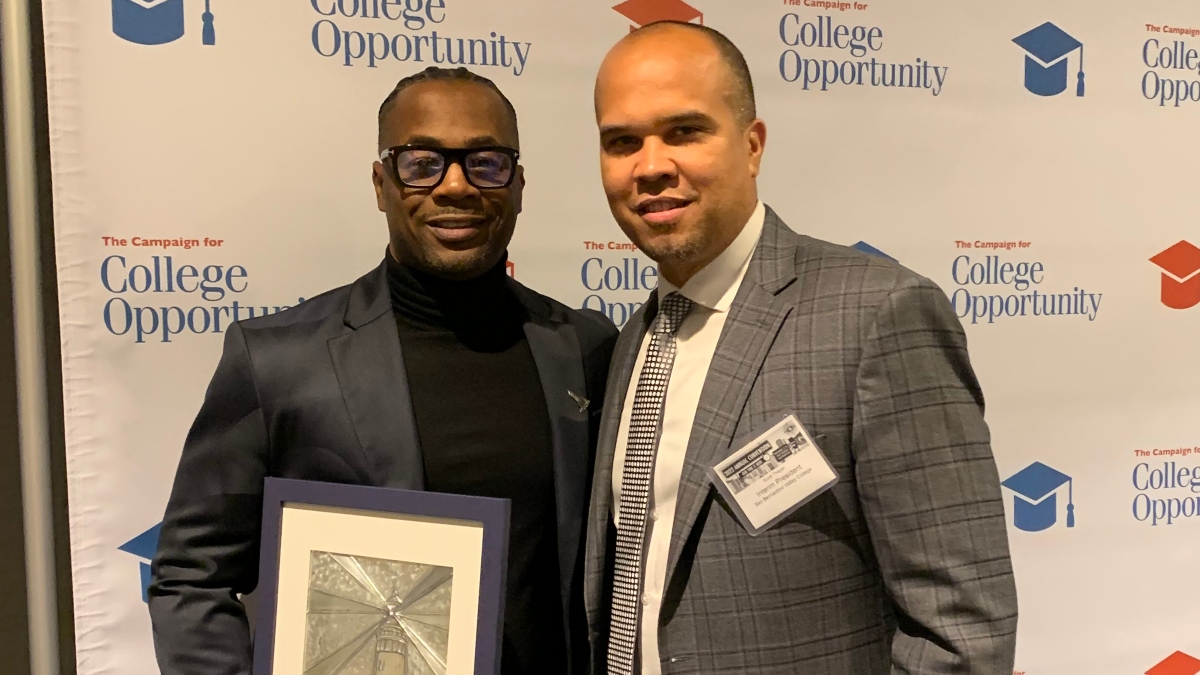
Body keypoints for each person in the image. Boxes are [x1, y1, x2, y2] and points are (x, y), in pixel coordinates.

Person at [149, 66, 617, 675]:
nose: (455, 186)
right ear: (380, 183)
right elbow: (191, 576)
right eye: (421, 162)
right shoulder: (277, 361)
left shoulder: (585, 348)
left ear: (519, 183)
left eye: (486, 162)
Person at [583, 22, 1018, 675]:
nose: (650, 166)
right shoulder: (632, 343)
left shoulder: (877, 316)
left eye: (684, 131)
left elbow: (962, 633)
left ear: (752, 145)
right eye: (622, 141)